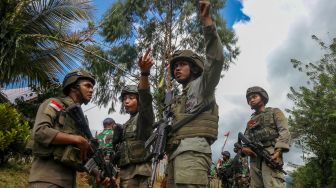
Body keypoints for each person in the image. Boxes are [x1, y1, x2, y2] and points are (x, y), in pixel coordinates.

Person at [166, 1, 225, 187]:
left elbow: (216, 59)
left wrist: (207, 21)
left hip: (193, 153)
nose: (177, 69)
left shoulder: (203, 86)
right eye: (174, 66)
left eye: (181, 65)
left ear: (193, 68)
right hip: (175, 155)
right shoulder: (176, 98)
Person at [28, 69, 110, 187]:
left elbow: (83, 155)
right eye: (87, 86)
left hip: (68, 183)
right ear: (73, 87)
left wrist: (96, 173)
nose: (91, 90)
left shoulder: (82, 122)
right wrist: (77, 139)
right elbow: (40, 131)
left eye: (92, 87)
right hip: (47, 179)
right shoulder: (54, 104)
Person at [116, 50, 154, 188]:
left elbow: (145, 99)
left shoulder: (144, 117)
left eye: (131, 98)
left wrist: (144, 74)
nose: (126, 101)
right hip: (124, 173)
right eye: (124, 99)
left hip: (139, 175)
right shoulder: (125, 125)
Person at [241, 86, 291, 188]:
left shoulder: (274, 112)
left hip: (271, 154)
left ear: (263, 97)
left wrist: (278, 150)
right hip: (254, 159)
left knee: (272, 184)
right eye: (249, 99)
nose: (251, 100)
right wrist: (244, 149)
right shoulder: (251, 121)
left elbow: (284, 131)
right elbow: (245, 139)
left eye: (254, 96)